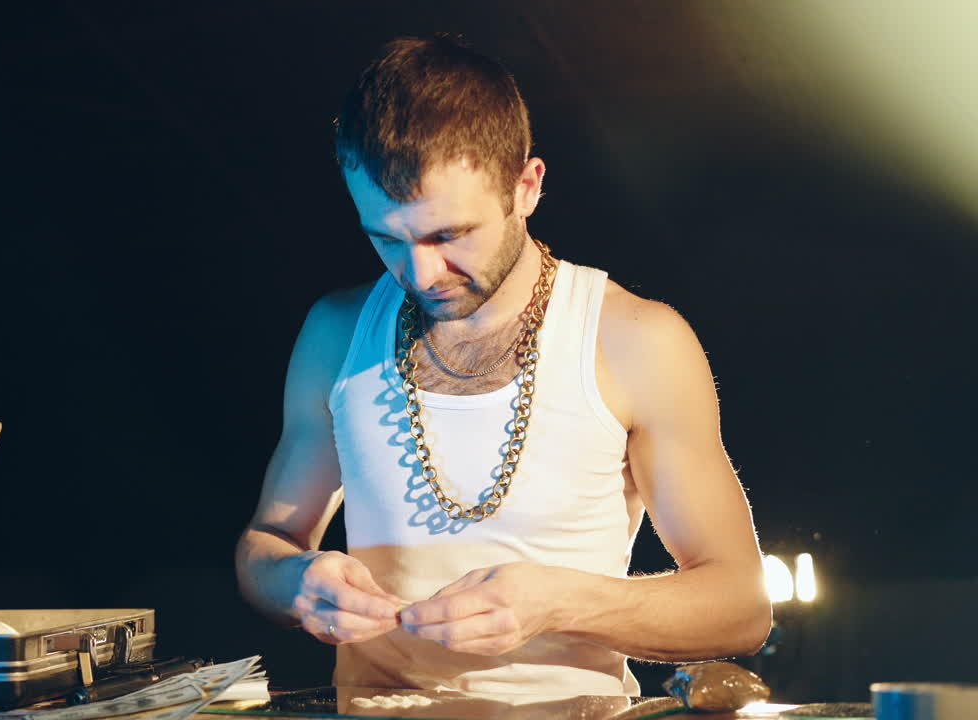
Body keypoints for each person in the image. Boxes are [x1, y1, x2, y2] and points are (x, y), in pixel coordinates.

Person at [234, 34, 771, 697]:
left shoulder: (637, 340)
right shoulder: (336, 332)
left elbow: (741, 607)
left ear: (525, 188)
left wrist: (560, 603)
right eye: (387, 239)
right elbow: (266, 543)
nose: (419, 273)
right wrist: (295, 583)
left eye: (448, 235)